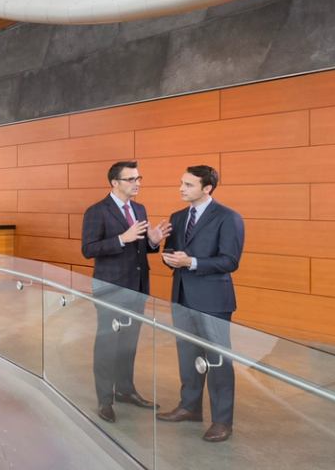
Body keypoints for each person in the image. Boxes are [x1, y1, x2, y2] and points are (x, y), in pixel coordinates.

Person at [157, 164, 245, 442]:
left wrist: (191, 262)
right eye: (181, 183)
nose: (181, 189)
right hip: (182, 296)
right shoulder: (178, 216)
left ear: (207, 188)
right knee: (187, 356)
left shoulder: (228, 218)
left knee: (217, 360)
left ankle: (222, 421)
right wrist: (167, 256)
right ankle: (189, 407)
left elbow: (230, 261)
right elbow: (170, 252)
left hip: (213, 300)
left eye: (189, 185)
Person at [79, 160, 166, 422]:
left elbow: (141, 248)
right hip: (110, 288)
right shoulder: (96, 211)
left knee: (129, 342)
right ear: (115, 183)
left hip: (137, 288)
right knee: (107, 344)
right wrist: (121, 239)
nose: (137, 183)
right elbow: (89, 249)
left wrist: (152, 242)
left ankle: (126, 390)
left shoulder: (139, 208)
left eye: (139, 178)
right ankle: (105, 400)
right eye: (131, 179)